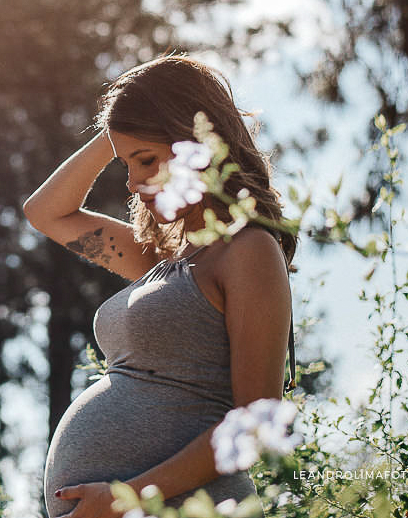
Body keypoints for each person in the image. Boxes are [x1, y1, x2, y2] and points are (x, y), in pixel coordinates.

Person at [23, 53, 297, 518]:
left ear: (196, 142)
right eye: (126, 163)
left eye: (145, 159)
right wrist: (115, 133)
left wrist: (127, 497)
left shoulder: (246, 251)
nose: (131, 182)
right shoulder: (162, 261)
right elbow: (45, 213)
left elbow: (256, 422)